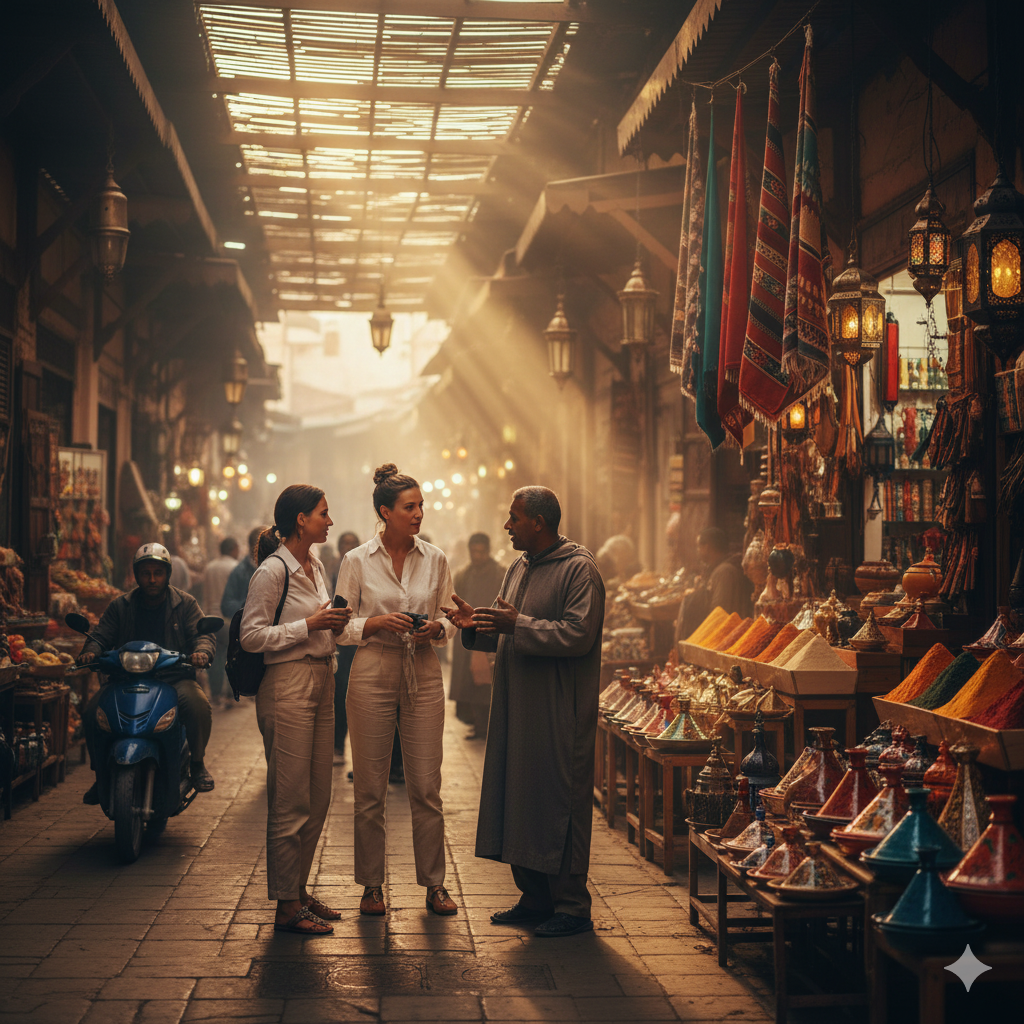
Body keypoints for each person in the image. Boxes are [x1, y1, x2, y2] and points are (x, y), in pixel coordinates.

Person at [444, 486, 605, 938]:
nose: (507, 525)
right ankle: (534, 897)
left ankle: (571, 905)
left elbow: (578, 634)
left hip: (558, 710)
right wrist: (476, 624)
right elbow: (505, 627)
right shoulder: (519, 567)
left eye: (514, 517)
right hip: (516, 706)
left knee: (558, 799)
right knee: (520, 795)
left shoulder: (579, 570)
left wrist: (519, 625)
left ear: (539, 521)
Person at [334, 463, 457, 918]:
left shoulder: (437, 559)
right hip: (371, 668)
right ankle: (371, 885)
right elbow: (339, 626)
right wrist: (375, 623)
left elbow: (450, 619)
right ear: (385, 512)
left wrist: (438, 632)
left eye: (421, 505)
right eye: (410, 507)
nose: (419, 513)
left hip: (422, 669)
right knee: (370, 788)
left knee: (426, 785)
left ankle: (435, 884)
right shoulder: (356, 561)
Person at [240, 486, 352, 935]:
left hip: (323, 678)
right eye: (323, 514)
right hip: (287, 684)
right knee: (290, 800)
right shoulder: (271, 571)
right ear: (300, 520)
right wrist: (310, 624)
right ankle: (287, 905)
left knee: (318, 796)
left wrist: (332, 622)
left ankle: (299, 891)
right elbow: (252, 636)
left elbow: (318, 622)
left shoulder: (317, 565)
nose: (329, 520)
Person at [80, 543, 217, 802]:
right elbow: (100, 635)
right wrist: (91, 650)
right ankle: (101, 776)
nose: (152, 579)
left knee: (199, 705)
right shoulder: (120, 606)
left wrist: (202, 652)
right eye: (146, 573)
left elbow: (202, 635)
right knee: (91, 713)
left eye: (158, 573)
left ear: (167, 574)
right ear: (136, 575)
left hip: (173, 679)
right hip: (124, 679)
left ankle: (197, 763)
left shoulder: (185, 604)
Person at [449, 533, 506, 740]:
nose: (478, 556)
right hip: (468, 635)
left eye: (481, 552)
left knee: (488, 682)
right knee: (469, 683)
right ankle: (477, 723)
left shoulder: (501, 573)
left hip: (490, 632)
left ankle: (488, 727)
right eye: (474, 552)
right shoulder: (464, 574)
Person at [675, 526, 747, 641]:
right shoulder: (715, 570)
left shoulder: (724, 572)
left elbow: (719, 612)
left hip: (722, 637)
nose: (697, 551)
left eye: (699, 546)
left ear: (707, 547)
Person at [331, 531, 360, 763]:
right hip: (338, 644)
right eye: (344, 544)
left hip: (359, 641)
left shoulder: (363, 570)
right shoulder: (331, 571)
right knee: (339, 694)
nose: (347, 548)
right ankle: (337, 746)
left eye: (352, 544)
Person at [203, 537, 239, 707]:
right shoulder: (235, 567)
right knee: (231, 656)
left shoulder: (210, 567)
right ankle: (231, 696)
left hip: (211, 617)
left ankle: (216, 694)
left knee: (215, 657)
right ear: (233, 549)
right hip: (229, 619)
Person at [221, 525, 264, 622]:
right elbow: (226, 605)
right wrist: (249, 606)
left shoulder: (276, 567)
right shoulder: (240, 571)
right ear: (254, 546)